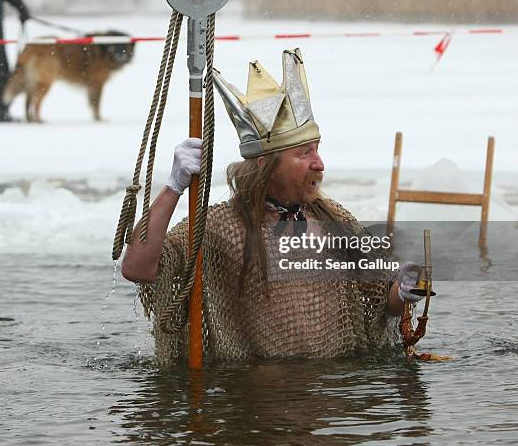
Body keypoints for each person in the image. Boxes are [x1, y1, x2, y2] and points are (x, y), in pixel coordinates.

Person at [121, 48, 426, 365]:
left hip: (334, 395)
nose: (319, 164)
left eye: (317, 150)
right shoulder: (221, 227)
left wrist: (403, 291)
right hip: (257, 398)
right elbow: (138, 268)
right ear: (266, 165)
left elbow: (380, 298)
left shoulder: (334, 218)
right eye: (304, 153)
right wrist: (174, 186)